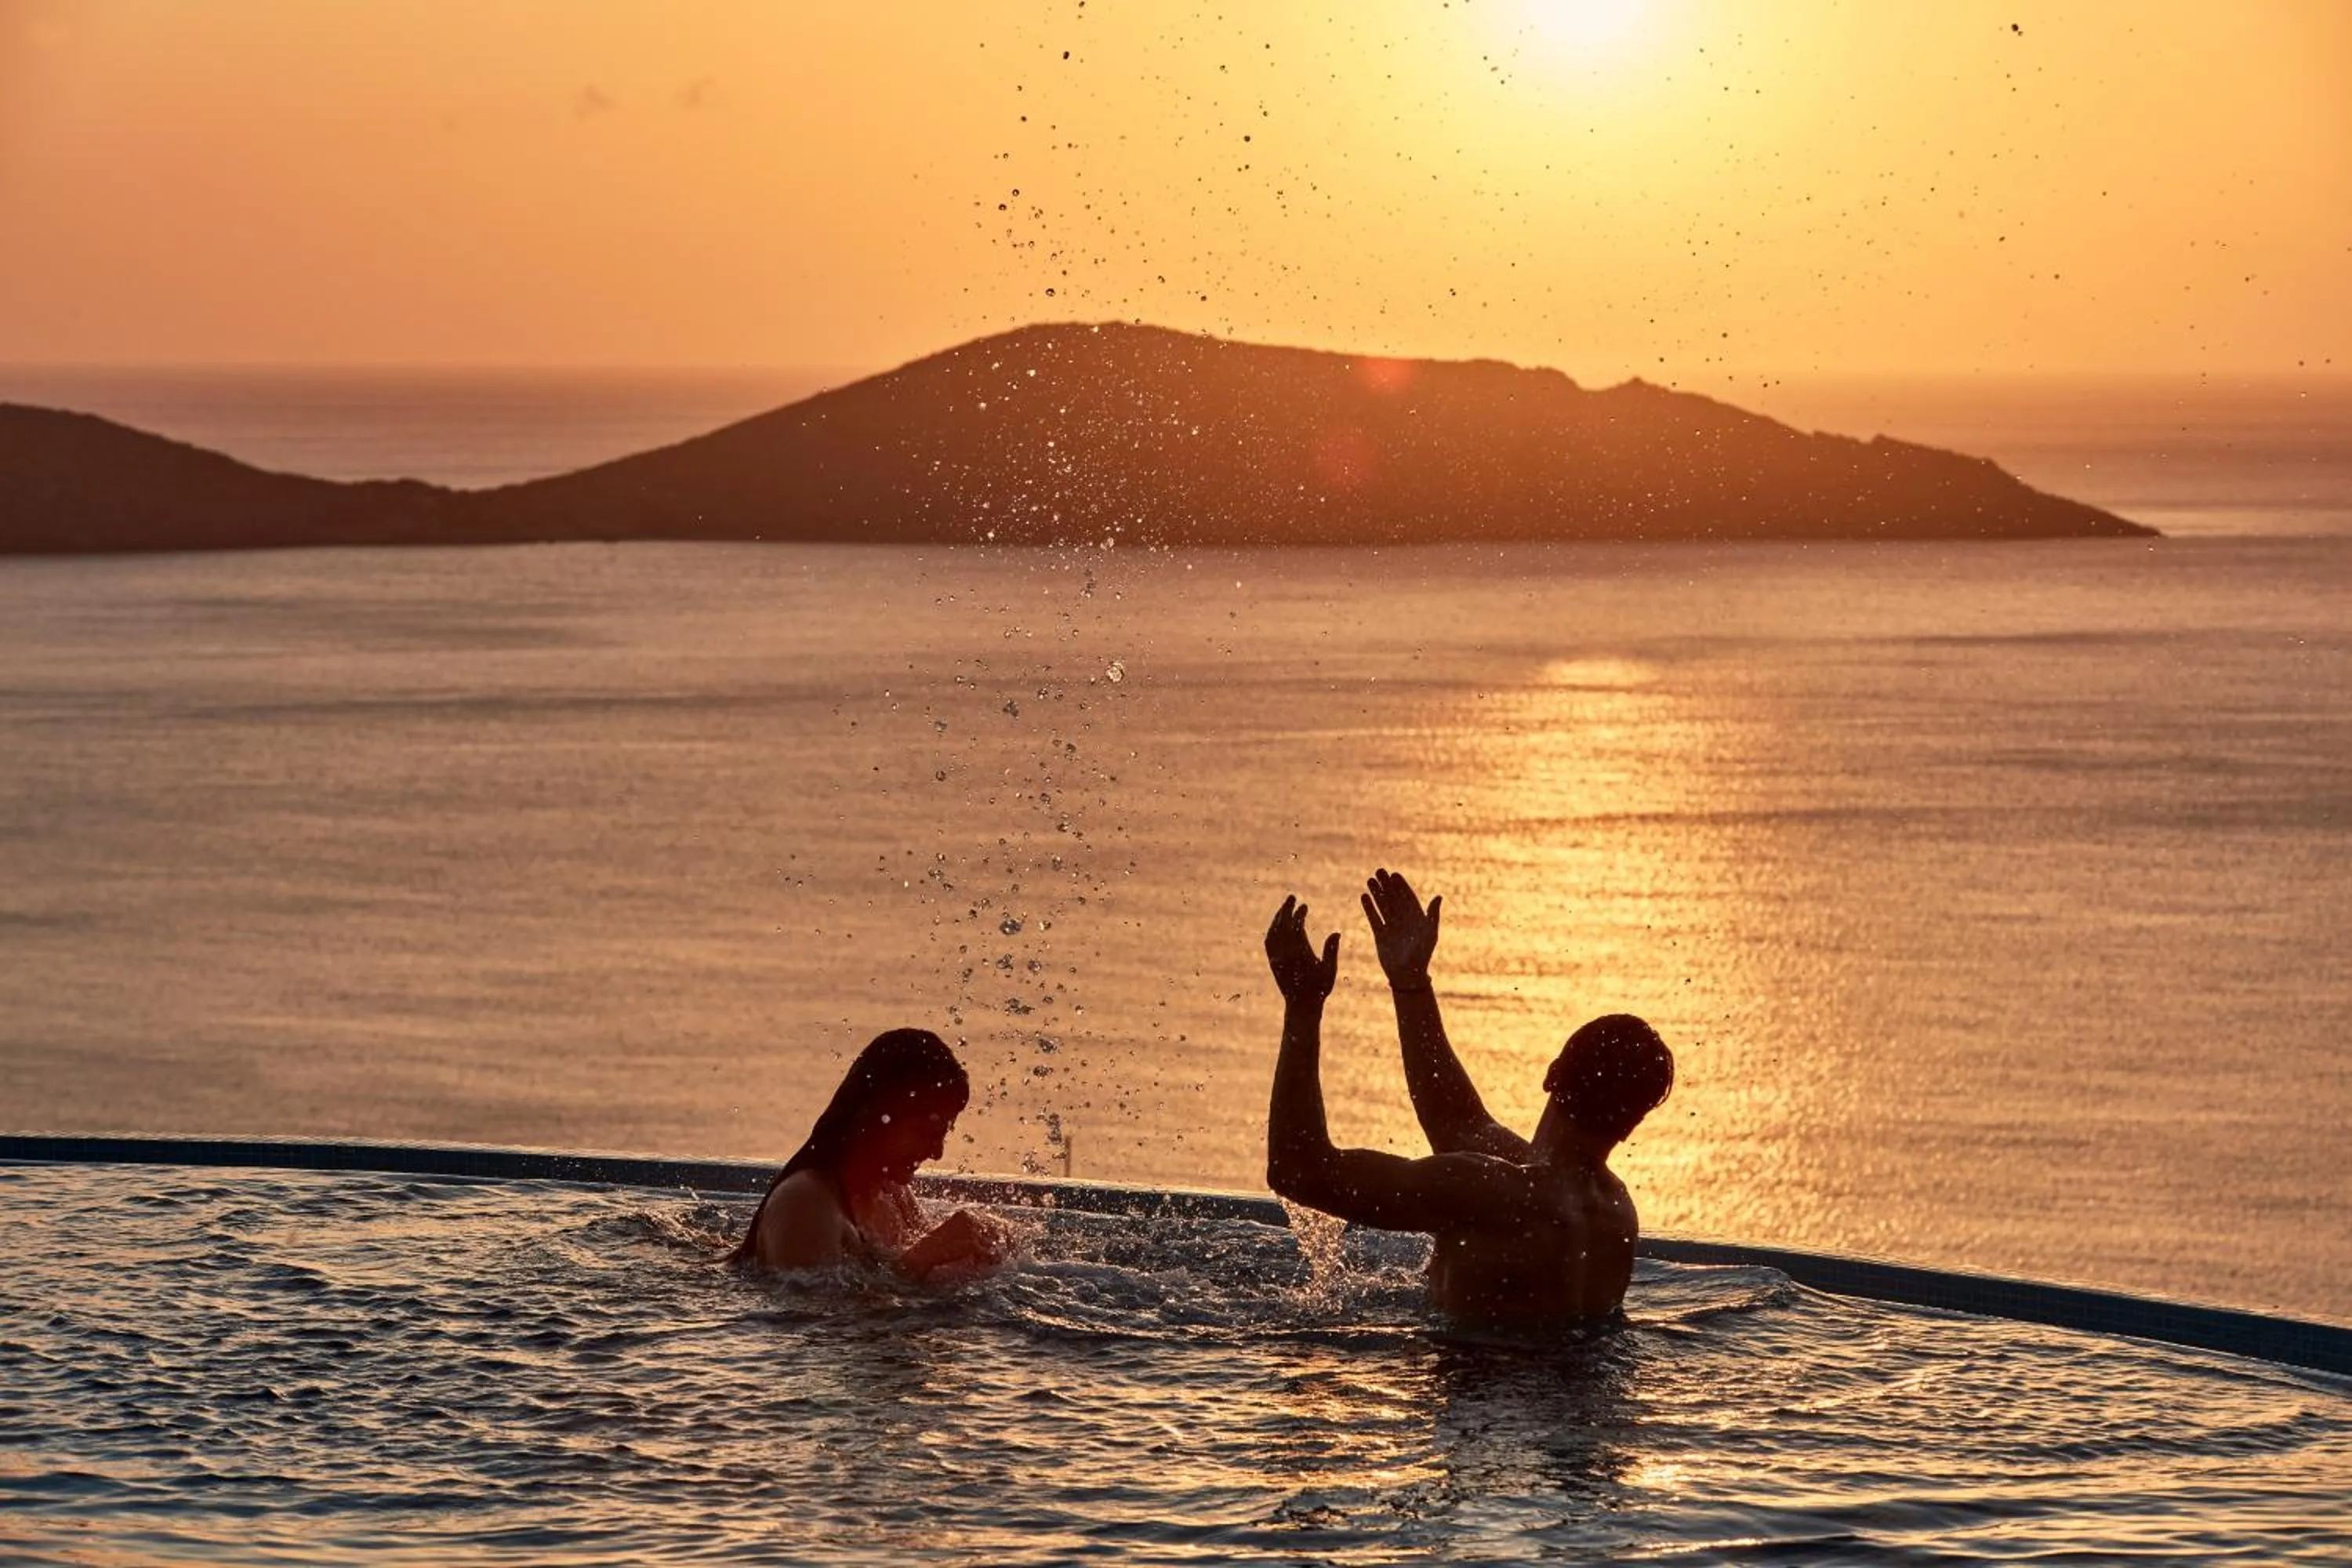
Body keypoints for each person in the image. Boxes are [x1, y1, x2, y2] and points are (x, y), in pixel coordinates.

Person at [1263, 869, 1673, 1325]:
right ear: (1632, 1123)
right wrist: (1411, 984)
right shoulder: (1615, 1213)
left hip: (1468, 1370)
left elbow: (1297, 1171)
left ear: (1551, 1074)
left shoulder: (1492, 1193)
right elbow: (1460, 1123)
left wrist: (1303, 1006)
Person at [730, 1027, 1011, 1282]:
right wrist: (917, 1261)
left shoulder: (892, 1193)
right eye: (926, 1133)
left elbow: (918, 1277)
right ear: (876, 1117)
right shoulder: (804, 1204)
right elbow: (815, 1313)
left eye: (943, 1134)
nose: (937, 1153)